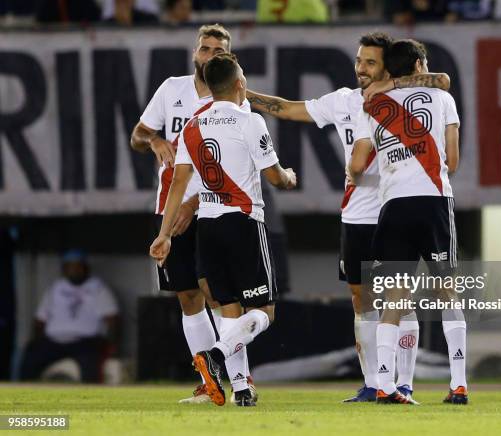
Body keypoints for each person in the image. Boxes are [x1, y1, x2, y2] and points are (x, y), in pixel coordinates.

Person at [246, 32, 450, 403]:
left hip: (394, 207)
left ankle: (403, 383)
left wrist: (399, 83)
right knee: (360, 299)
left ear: (388, 66)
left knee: (398, 300)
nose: (360, 68)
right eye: (358, 61)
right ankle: (373, 383)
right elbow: (289, 108)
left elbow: (441, 80)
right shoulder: (343, 101)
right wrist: (243, 95)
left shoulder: (407, 98)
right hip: (356, 214)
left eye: (370, 62)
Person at [150, 53, 297, 406]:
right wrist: (289, 177)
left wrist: (165, 234)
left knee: (229, 309)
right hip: (243, 222)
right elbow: (275, 177)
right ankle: (215, 355)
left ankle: (242, 390)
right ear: (239, 84)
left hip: (208, 228)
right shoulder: (250, 122)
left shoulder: (192, 127)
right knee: (264, 311)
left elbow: (177, 183)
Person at [131, 24, 256, 405]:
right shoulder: (172, 89)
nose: (210, 55)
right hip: (169, 206)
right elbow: (138, 133)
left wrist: (194, 202)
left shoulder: (237, 101)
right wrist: (155, 141)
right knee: (187, 296)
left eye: (218, 49)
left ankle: (241, 382)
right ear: (195, 53)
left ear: (229, 57)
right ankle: (210, 384)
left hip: (215, 209)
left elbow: (237, 167)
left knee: (220, 296)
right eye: (205, 48)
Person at [350, 38, 467, 405]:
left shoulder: (373, 105)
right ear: (419, 66)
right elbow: (453, 161)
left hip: (394, 204)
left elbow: (357, 165)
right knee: (448, 293)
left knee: (393, 299)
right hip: (433, 201)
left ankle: (385, 385)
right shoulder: (444, 100)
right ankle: (459, 383)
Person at [20, 250, 119, 383]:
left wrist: (111, 344)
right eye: (70, 267)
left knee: (90, 364)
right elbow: (40, 320)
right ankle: (26, 395)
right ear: (64, 269)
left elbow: (112, 319)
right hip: (54, 341)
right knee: (31, 356)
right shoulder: (56, 287)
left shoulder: (98, 288)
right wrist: (36, 340)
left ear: (86, 268)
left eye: (78, 266)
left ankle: (90, 398)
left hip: (85, 341)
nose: (74, 270)